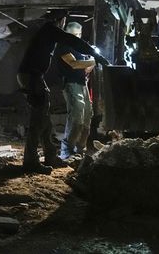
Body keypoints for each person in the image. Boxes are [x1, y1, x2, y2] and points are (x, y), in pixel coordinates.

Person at [16, 10, 108, 175]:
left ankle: (50, 156)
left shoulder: (47, 31)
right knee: (38, 120)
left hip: (34, 75)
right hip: (31, 76)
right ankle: (30, 161)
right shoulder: (51, 30)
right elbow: (72, 41)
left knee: (45, 118)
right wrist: (96, 56)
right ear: (61, 20)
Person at [55, 23, 96, 161]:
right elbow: (74, 63)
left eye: (78, 35)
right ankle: (67, 151)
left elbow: (85, 69)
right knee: (77, 116)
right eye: (73, 35)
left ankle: (80, 151)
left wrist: (90, 62)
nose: (76, 38)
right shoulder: (63, 46)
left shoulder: (80, 48)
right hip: (71, 85)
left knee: (86, 118)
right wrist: (93, 61)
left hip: (82, 84)